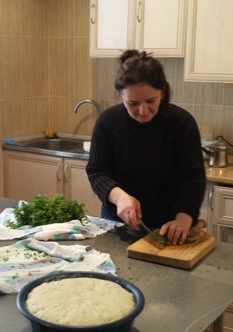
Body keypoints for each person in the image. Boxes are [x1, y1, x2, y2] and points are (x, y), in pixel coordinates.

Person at [86, 50, 206, 245]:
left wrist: (184, 218)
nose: (143, 111)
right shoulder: (108, 122)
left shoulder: (181, 123)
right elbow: (96, 172)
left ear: (162, 93)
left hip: (170, 225)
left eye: (151, 101)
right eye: (133, 103)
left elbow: (193, 177)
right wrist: (120, 197)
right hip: (117, 224)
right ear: (120, 96)